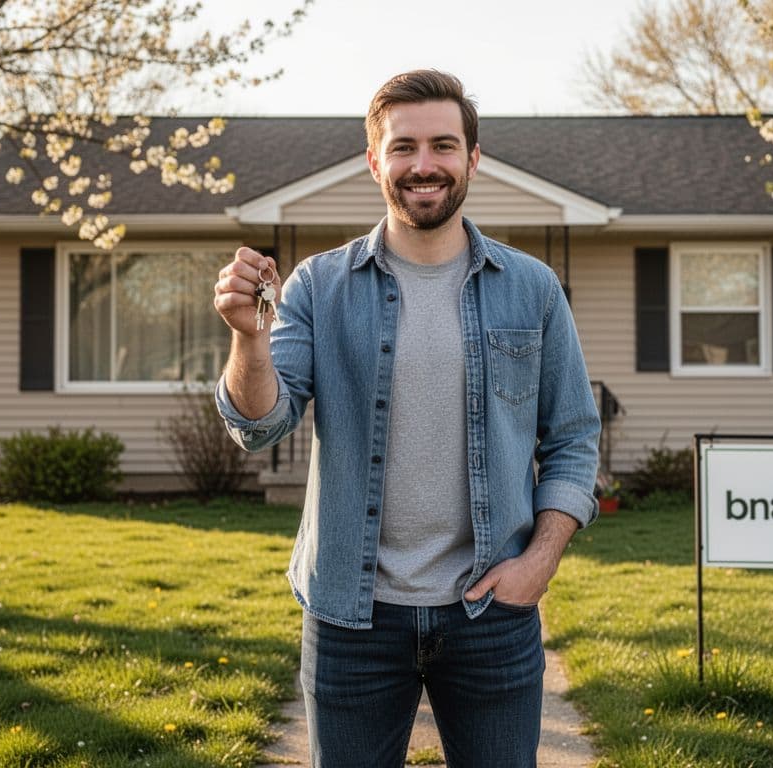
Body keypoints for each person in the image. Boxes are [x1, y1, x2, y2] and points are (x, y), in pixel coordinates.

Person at [213, 70, 601, 768]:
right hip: (350, 619)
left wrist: (537, 566)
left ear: (472, 158)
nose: (424, 165)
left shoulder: (533, 289)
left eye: (444, 145)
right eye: (404, 148)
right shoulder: (318, 288)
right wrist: (248, 337)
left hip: (493, 612)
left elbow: (573, 438)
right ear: (374, 161)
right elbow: (259, 426)